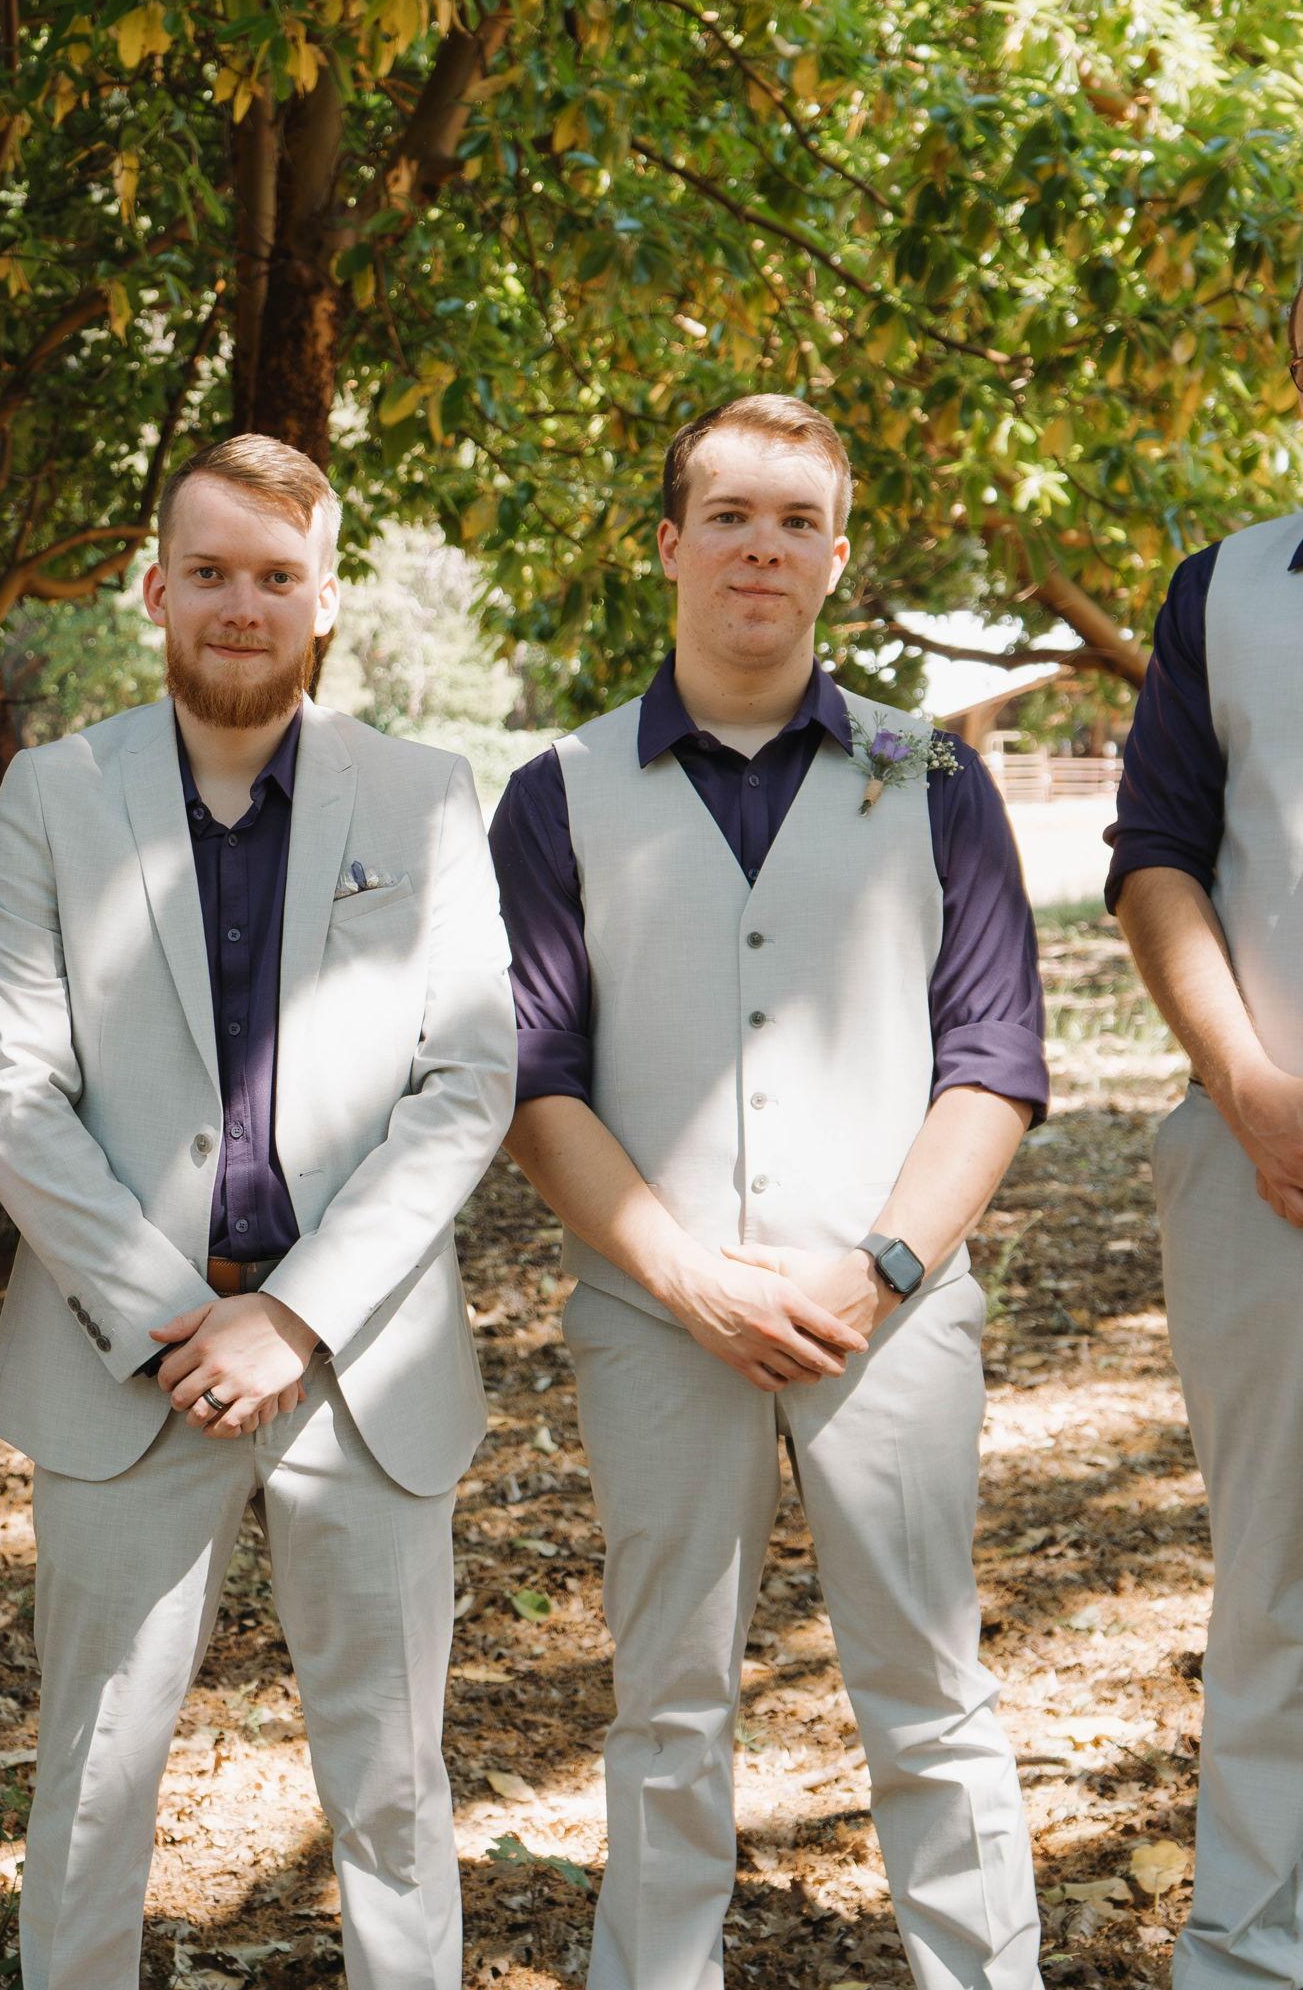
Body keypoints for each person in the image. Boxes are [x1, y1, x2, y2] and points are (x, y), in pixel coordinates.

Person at [491, 393, 1047, 1989]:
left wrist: (879, 1271)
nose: (762, 548)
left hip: (895, 1313)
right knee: (667, 1704)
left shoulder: (932, 777)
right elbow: (535, 1079)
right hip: (651, 1316)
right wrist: (687, 1278)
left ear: (837, 561)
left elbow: (993, 1059)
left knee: (930, 1691)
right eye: (730, 515)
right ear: (671, 545)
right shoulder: (557, 791)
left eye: (797, 522)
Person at [0, 434, 516, 1989]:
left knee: (394, 1780)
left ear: (325, 600)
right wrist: (177, 1321)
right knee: (92, 1778)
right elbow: (11, 1090)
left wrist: (294, 1314)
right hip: (123, 1362)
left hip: (364, 1359)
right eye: (208, 571)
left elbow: (468, 1080)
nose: (241, 604)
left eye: (277, 575)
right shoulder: (53, 795)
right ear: (155, 589)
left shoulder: (423, 795)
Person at [1107, 278, 1303, 1989]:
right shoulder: (1225, 593)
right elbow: (1157, 854)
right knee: (1279, 1584)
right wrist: (1245, 1085)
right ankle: (1251, 1951)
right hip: (1269, 1173)